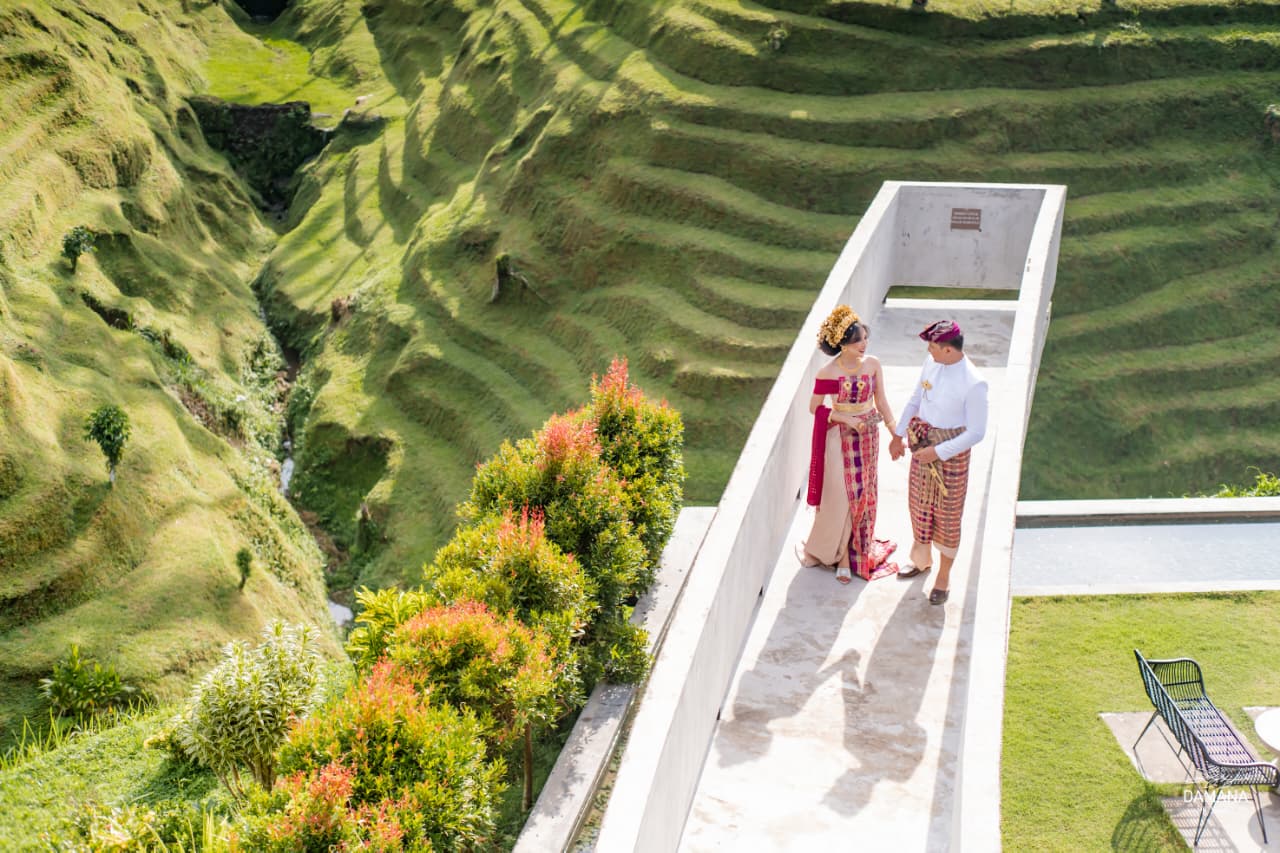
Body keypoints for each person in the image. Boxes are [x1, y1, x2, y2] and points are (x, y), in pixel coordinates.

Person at [888, 320, 989, 606]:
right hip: (922, 445)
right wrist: (898, 435)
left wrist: (939, 452)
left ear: (948, 350)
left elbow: (977, 432)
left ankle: (943, 577)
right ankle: (921, 560)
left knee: (948, 516)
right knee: (919, 505)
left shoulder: (974, 382)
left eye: (932, 346)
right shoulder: (931, 364)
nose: (928, 351)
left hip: (950, 455)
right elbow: (915, 399)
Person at [799, 305, 899, 584]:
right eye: (857, 341)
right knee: (843, 496)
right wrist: (845, 418)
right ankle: (841, 555)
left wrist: (895, 432)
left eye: (865, 338)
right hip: (839, 439)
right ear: (842, 344)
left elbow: (881, 401)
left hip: (868, 436)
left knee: (864, 493)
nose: (863, 345)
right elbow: (814, 408)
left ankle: (857, 550)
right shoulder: (829, 372)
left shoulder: (872, 365)